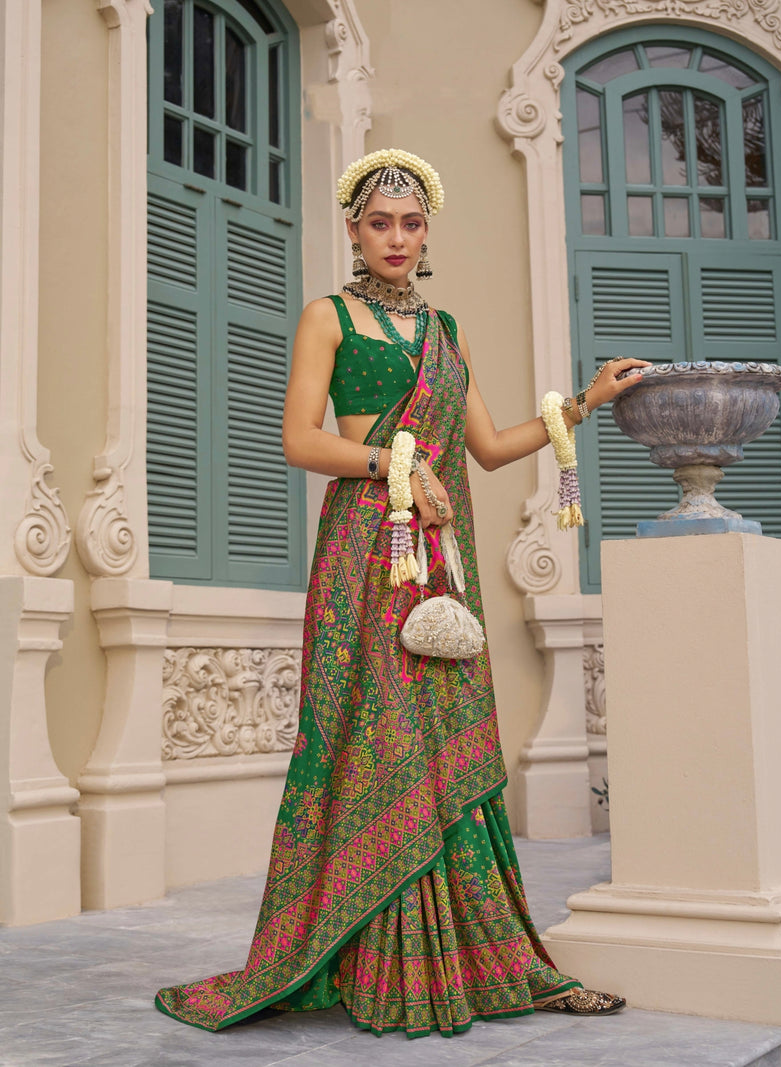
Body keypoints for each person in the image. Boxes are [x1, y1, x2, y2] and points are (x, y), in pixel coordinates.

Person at [155, 149, 648, 1037]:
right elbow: (299, 440)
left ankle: (483, 954)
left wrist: (584, 402)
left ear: (427, 234)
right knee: (379, 741)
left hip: (441, 564)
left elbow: (491, 447)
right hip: (366, 558)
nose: (396, 237)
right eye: (380, 221)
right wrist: (393, 462)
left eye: (411, 223)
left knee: (445, 742)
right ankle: (372, 956)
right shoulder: (328, 316)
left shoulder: (446, 331)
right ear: (352, 228)